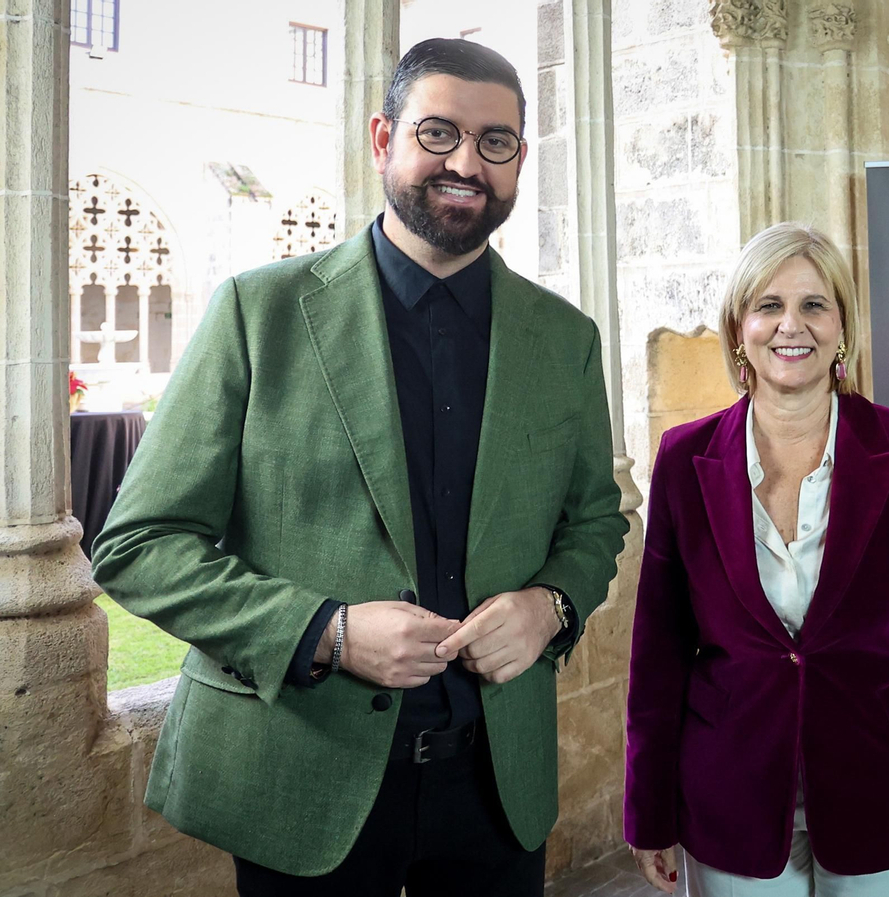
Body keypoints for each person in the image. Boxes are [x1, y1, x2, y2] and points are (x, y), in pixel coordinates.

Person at [91, 38, 627, 897]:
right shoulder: (256, 313)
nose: (465, 163)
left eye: (496, 143)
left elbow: (596, 519)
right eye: (438, 132)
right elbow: (138, 543)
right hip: (306, 776)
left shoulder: (564, 338)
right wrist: (326, 632)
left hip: (494, 785)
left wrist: (550, 604)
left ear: (520, 160)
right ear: (383, 139)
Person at [622, 223, 889, 896]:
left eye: (813, 305)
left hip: (883, 791)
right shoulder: (684, 458)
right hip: (730, 797)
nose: (790, 325)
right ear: (739, 327)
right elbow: (659, 654)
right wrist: (648, 812)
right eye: (768, 305)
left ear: (842, 327)